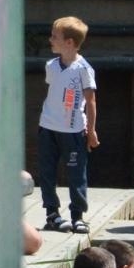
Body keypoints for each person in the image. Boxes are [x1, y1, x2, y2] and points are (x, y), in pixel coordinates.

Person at [35, 15, 97, 234]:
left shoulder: (83, 69)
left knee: (76, 174)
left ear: (69, 42)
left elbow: (90, 101)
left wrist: (91, 131)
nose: (50, 40)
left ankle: (77, 215)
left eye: (55, 37)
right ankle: (52, 214)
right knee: (47, 172)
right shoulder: (51, 66)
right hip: (48, 127)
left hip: (72, 131)